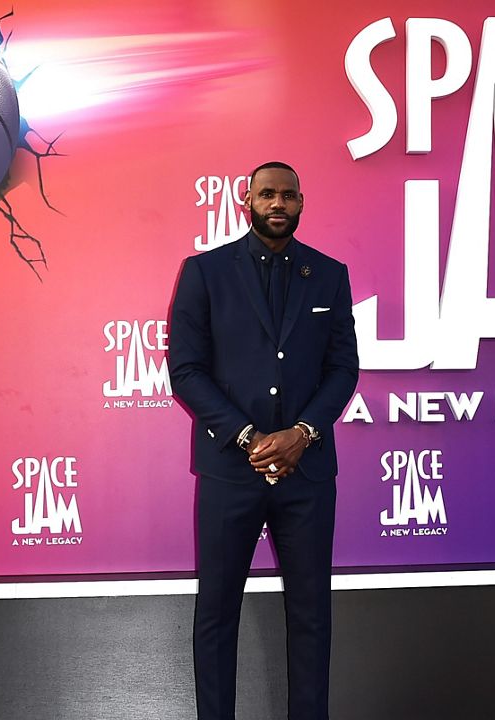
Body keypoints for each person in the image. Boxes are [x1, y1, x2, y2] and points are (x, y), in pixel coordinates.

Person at [169, 161, 359, 720]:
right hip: (231, 472)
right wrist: (250, 437)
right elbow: (186, 369)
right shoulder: (205, 272)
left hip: (309, 476)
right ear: (245, 200)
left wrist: (302, 434)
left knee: (310, 614)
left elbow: (343, 370)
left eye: (289, 195)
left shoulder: (329, 275)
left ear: (302, 202)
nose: (278, 203)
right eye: (267, 194)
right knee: (217, 613)